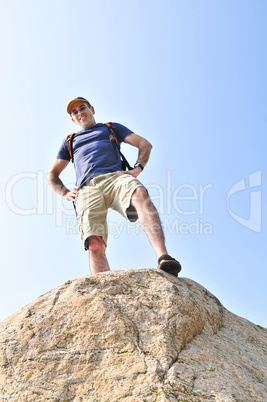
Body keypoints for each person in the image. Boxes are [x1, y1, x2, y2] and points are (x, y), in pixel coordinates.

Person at [47, 97, 181, 276]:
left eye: (82, 108)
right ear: (73, 119)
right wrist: (64, 192)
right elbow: (52, 174)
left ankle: (163, 257)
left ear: (92, 109)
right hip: (87, 188)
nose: (80, 113)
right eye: (75, 112)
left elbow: (144, 144)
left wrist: (137, 168)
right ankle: (103, 287)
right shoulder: (70, 141)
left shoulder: (110, 127)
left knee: (140, 194)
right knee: (94, 243)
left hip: (115, 177)